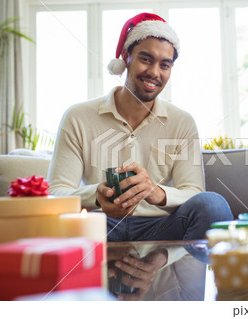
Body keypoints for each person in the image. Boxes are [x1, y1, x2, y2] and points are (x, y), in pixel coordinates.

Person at [47, 12, 233, 242]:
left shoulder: (182, 122)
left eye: (165, 65)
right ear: (126, 56)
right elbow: (55, 192)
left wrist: (157, 193)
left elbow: (193, 192)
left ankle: (172, 266)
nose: (155, 72)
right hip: (99, 226)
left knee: (212, 204)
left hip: (161, 228)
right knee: (48, 218)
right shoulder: (78, 116)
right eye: (146, 59)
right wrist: (96, 195)